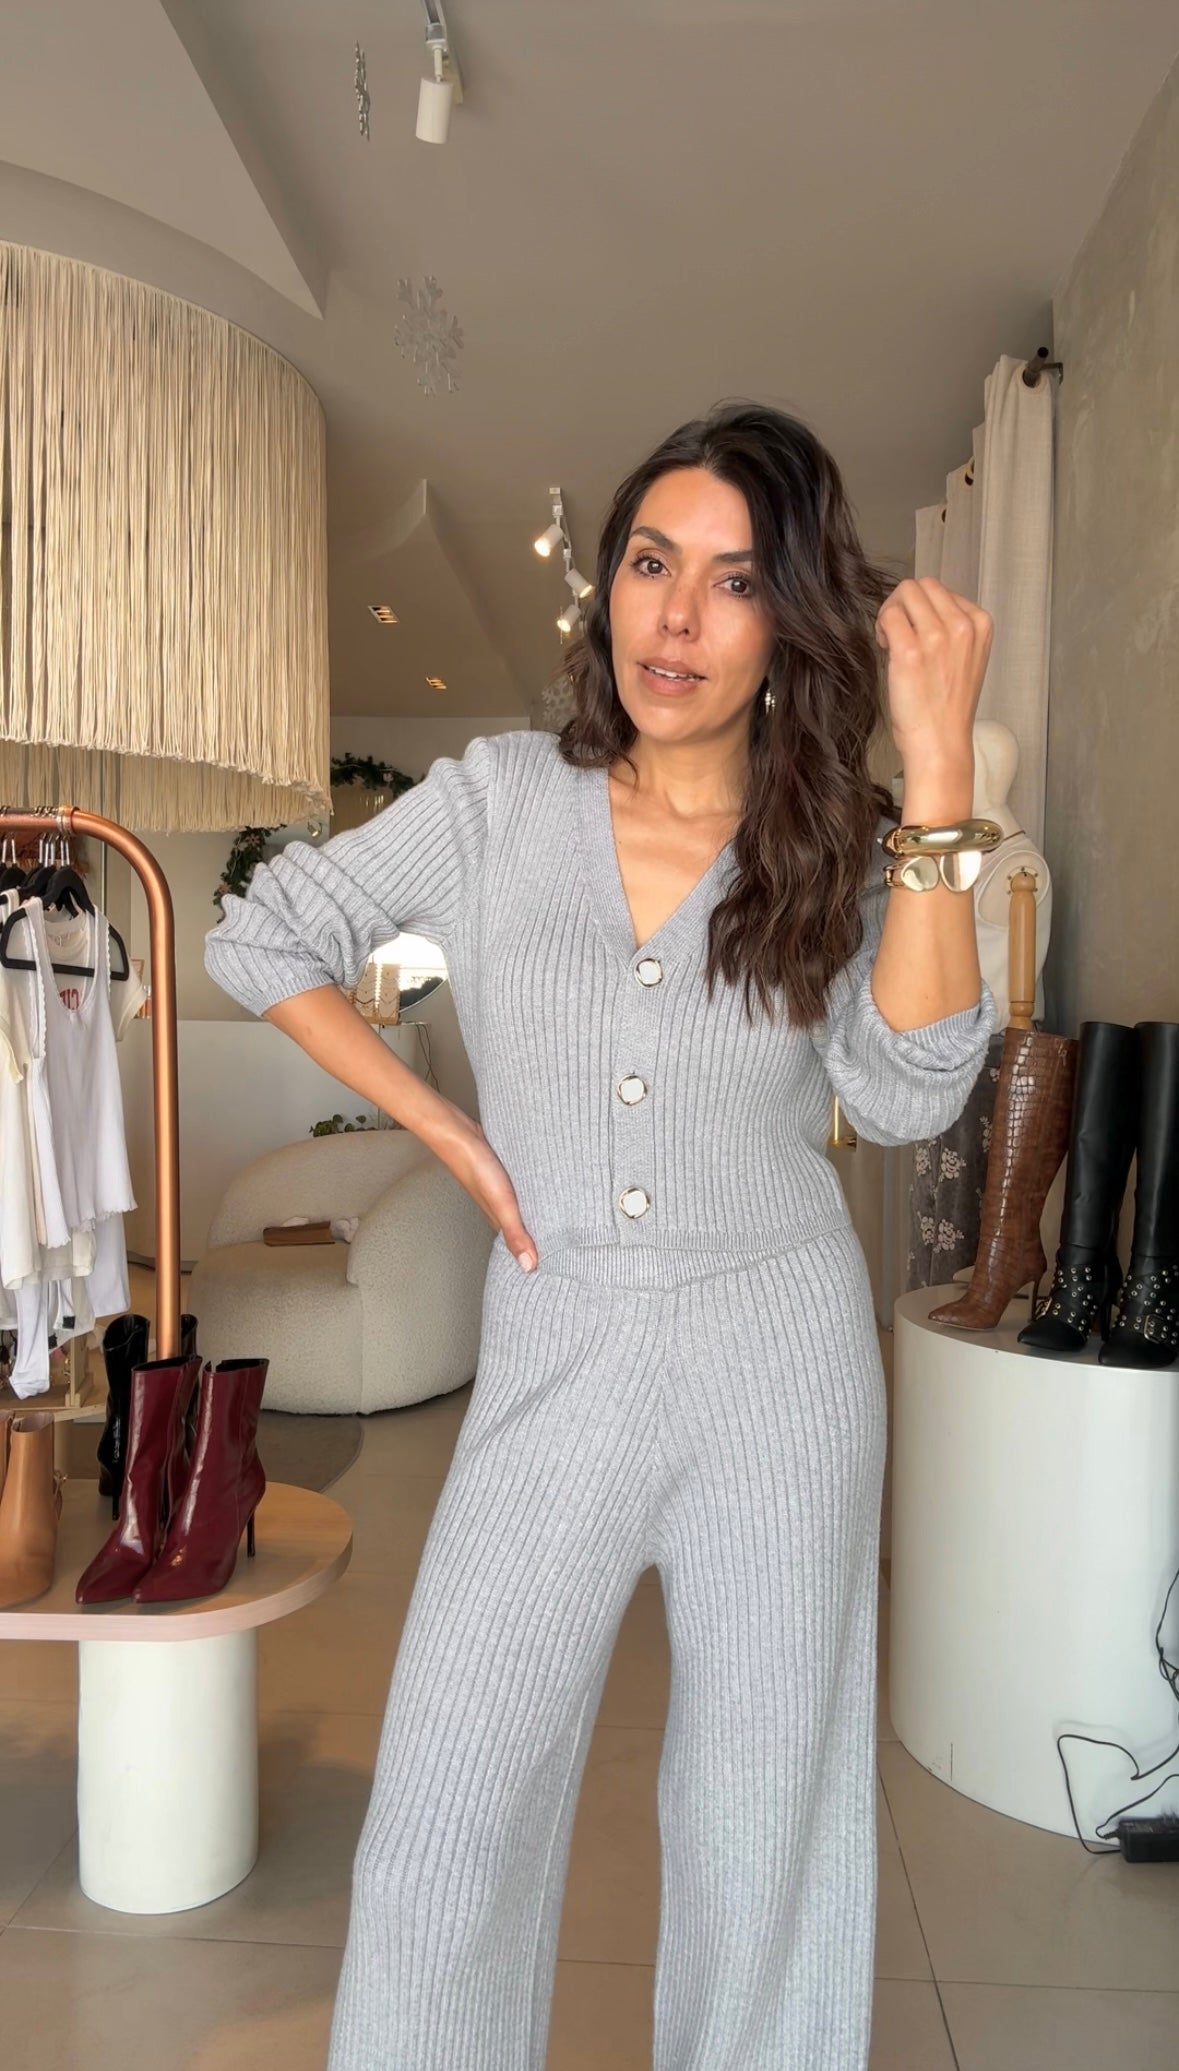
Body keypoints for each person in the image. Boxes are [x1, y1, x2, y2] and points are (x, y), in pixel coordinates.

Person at [205, 400, 998, 2071]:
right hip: (556, 1348)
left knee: (760, 1834)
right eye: (650, 563)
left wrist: (937, 781)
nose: (677, 617)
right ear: (610, 586)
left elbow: (909, 1088)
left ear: (787, 622)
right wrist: (439, 1127)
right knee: (444, 1828)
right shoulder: (500, 802)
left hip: (781, 1366)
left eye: (733, 580)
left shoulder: (834, 843)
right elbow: (263, 931)